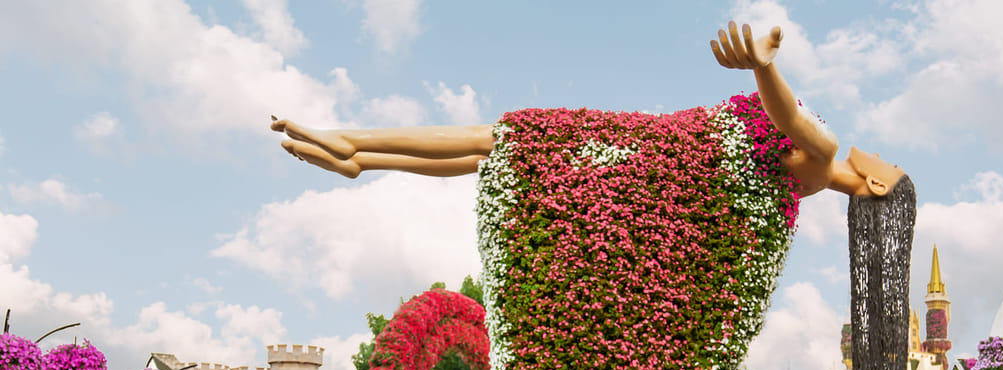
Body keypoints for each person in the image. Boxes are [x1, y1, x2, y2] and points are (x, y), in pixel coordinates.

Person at [269, 22, 905, 200]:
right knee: (494, 154)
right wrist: (764, 73)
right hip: (645, 157)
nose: (886, 156)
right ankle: (360, 155)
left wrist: (766, 66)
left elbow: (796, 122)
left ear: (877, 183)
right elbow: (789, 121)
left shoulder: (821, 162)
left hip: (632, 151)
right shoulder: (806, 182)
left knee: (498, 140)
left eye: (892, 166)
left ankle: (355, 142)